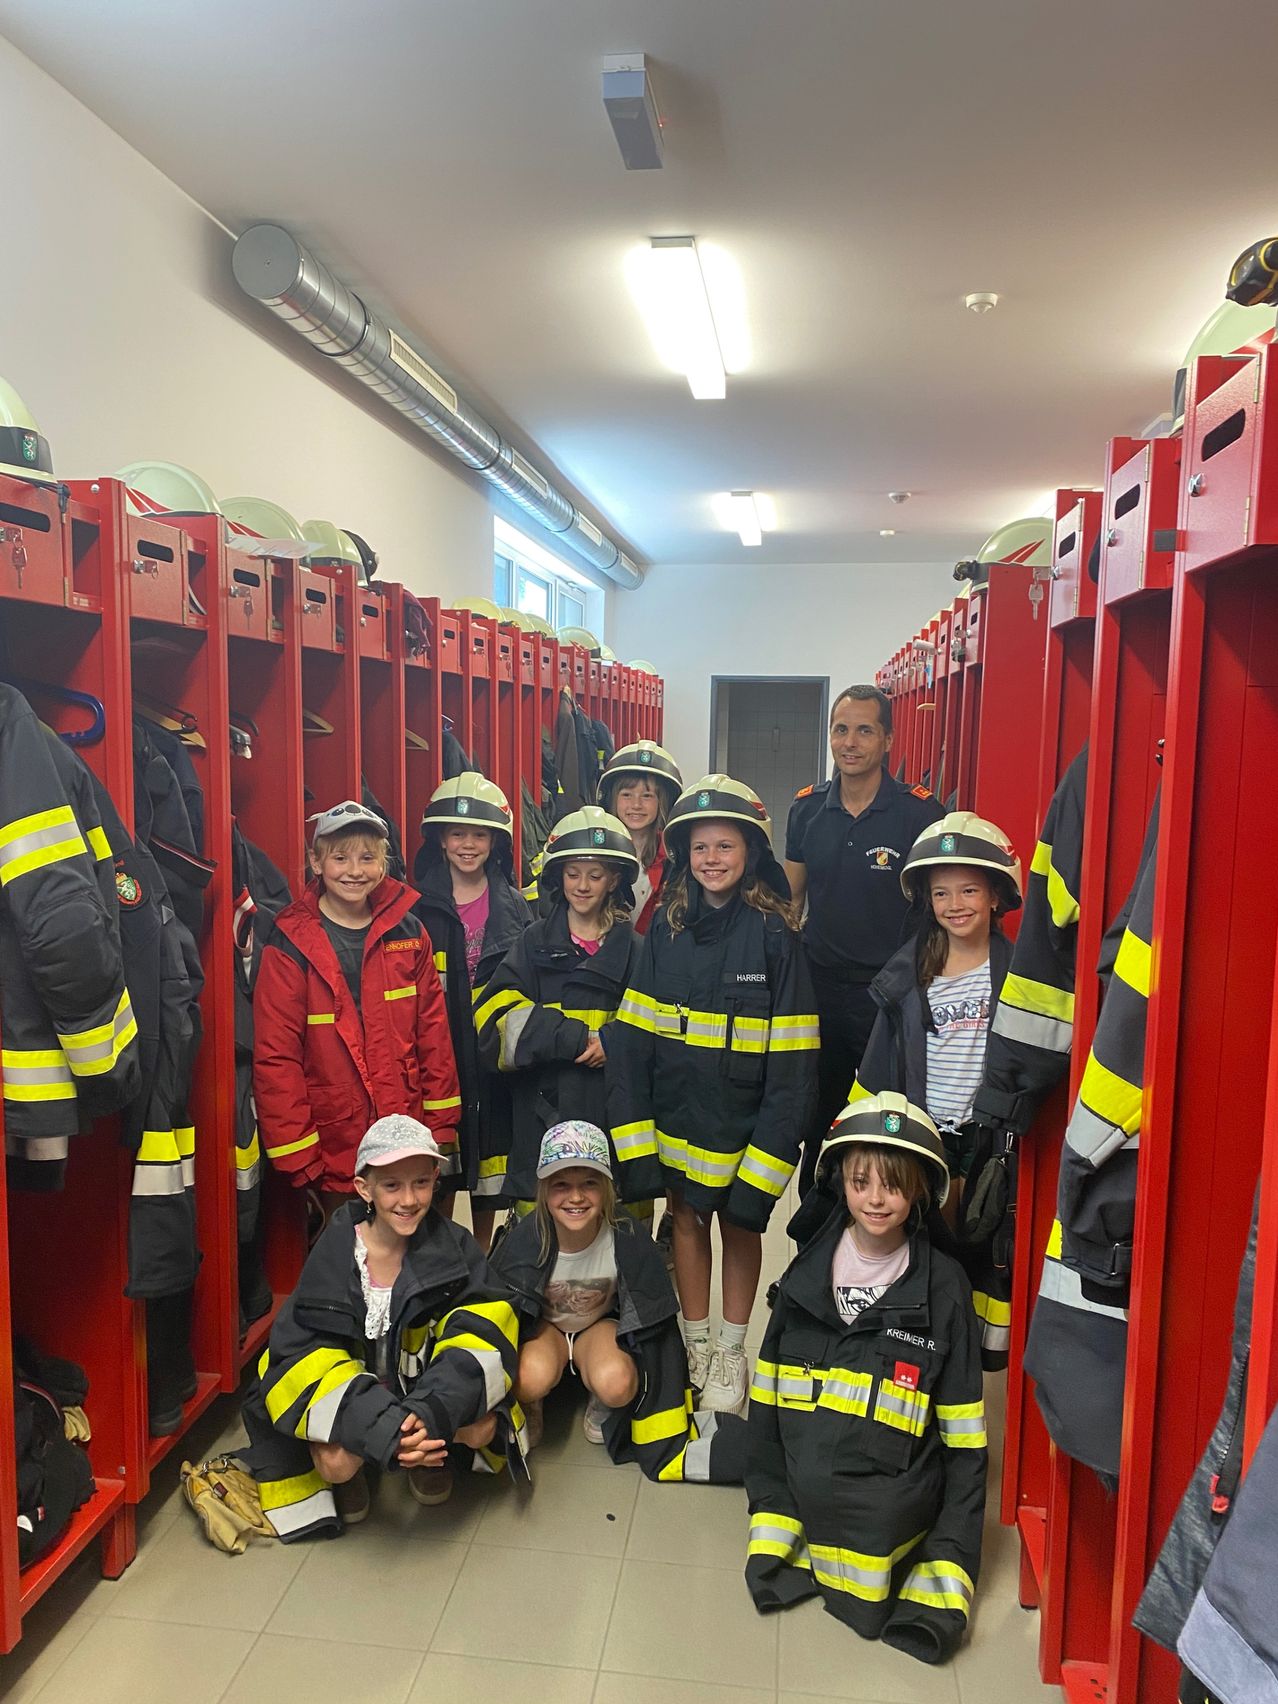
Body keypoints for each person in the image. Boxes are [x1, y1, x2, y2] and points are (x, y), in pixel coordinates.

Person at [743, 1093, 987, 1666]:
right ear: (839, 1183)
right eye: (860, 1182)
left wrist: (948, 1565)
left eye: (894, 1185)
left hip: (892, 1510)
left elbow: (966, 1447)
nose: (876, 1199)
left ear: (922, 1189)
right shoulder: (805, 1275)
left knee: (883, 1520)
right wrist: (773, 1507)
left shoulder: (945, 1289)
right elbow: (767, 1417)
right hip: (807, 1492)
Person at [609, 774, 819, 1416]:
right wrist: (637, 1145)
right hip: (676, 1121)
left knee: (740, 1225)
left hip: (744, 1128)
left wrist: (769, 1159)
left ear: (750, 852)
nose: (712, 860)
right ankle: (695, 1345)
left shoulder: (777, 937)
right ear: (683, 854)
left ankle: (732, 1350)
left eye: (725, 847)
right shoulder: (665, 933)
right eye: (700, 848)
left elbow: (794, 1063)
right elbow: (634, 1042)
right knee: (687, 1224)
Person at [241, 1115, 520, 1539]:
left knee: (481, 1426)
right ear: (363, 1188)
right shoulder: (335, 1254)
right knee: (335, 1463)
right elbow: (303, 1356)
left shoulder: (456, 1246)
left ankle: (427, 1453)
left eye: (421, 1183)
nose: (408, 1200)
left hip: (425, 1396)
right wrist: (384, 1428)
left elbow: (482, 1337)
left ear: (434, 1181)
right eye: (391, 1185)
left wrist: (428, 1415)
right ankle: (369, 1462)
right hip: (358, 1405)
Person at [492, 1121, 740, 1481]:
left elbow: (656, 1322)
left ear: (608, 1188)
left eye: (589, 1184)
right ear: (543, 1191)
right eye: (561, 1185)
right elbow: (497, 1313)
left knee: (619, 1385)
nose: (575, 1198)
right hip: (546, 1330)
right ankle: (535, 1401)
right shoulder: (525, 1239)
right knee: (527, 1379)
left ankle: (598, 1393)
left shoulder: (626, 1237)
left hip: (599, 1328)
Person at [252, 800, 462, 1203]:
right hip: (331, 1139)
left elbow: (434, 1034)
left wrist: (441, 1126)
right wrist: (297, 1150)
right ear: (316, 862)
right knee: (346, 1254)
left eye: (367, 858)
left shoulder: (409, 932)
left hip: (405, 1128)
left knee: (406, 1250)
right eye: (340, 857)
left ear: (383, 863)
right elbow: (277, 1056)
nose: (354, 870)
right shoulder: (290, 942)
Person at [784, 685, 944, 1195]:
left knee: (889, 1117)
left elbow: (939, 908)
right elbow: (790, 903)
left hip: (892, 995)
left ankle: (883, 1222)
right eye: (840, 729)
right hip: (820, 990)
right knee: (817, 1118)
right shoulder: (806, 810)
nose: (849, 742)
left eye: (864, 730)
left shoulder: (921, 814)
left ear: (888, 739)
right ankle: (816, 1227)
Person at [474, 807, 661, 1209]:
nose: (583, 885)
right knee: (539, 1239)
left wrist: (614, 1041)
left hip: (617, 1121)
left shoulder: (637, 951)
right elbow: (492, 1022)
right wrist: (573, 1036)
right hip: (541, 1119)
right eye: (573, 874)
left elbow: (657, 1028)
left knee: (620, 1240)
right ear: (558, 876)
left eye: (595, 876)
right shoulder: (531, 943)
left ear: (614, 881)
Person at [413, 773, 532, 1249]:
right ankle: (440, 1260)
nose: (468, 844)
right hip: (435, 1059)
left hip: (492, 1062)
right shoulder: (416, 909)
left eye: (479, 835)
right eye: (458, 833)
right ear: (441, 839)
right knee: (438, 1168)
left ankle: (482, 1258)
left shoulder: (518, 909)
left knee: (490, 1176)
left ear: (495, 842)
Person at [597, 741, 684, 934]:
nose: (636, 805)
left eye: (647, 796)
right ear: (611, 798)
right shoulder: (596, 852)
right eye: (627, 794)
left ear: (663, 803)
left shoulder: (676, 858)